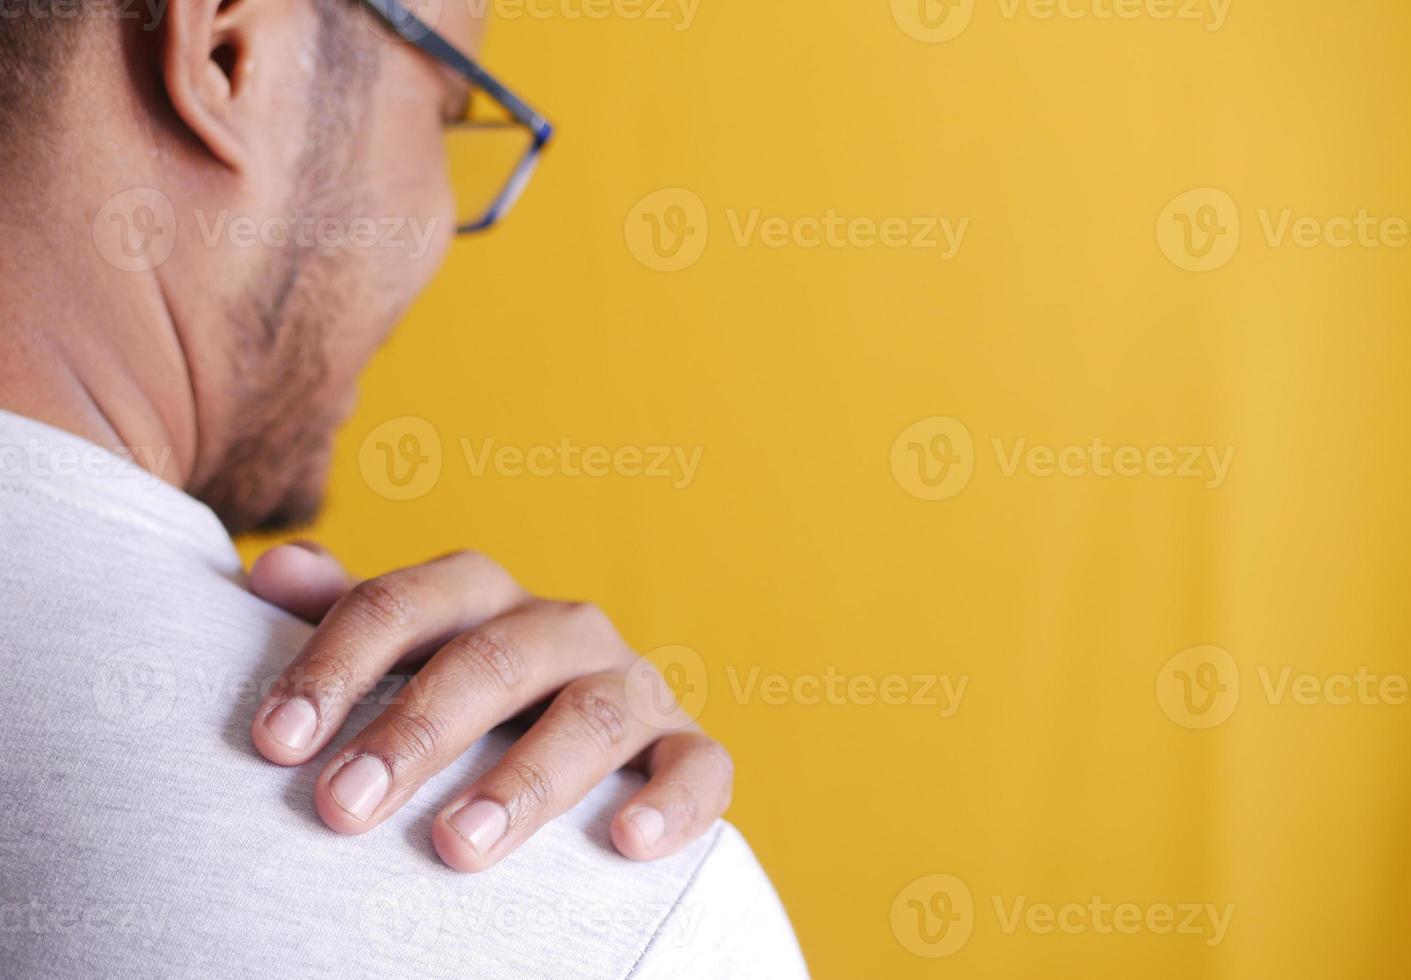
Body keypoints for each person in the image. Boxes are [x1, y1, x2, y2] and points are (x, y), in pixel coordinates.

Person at [0, 0, 807, 974]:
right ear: (226, 51)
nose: (440, 232)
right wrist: (636, 903)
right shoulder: (594, 903)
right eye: (450, 111)